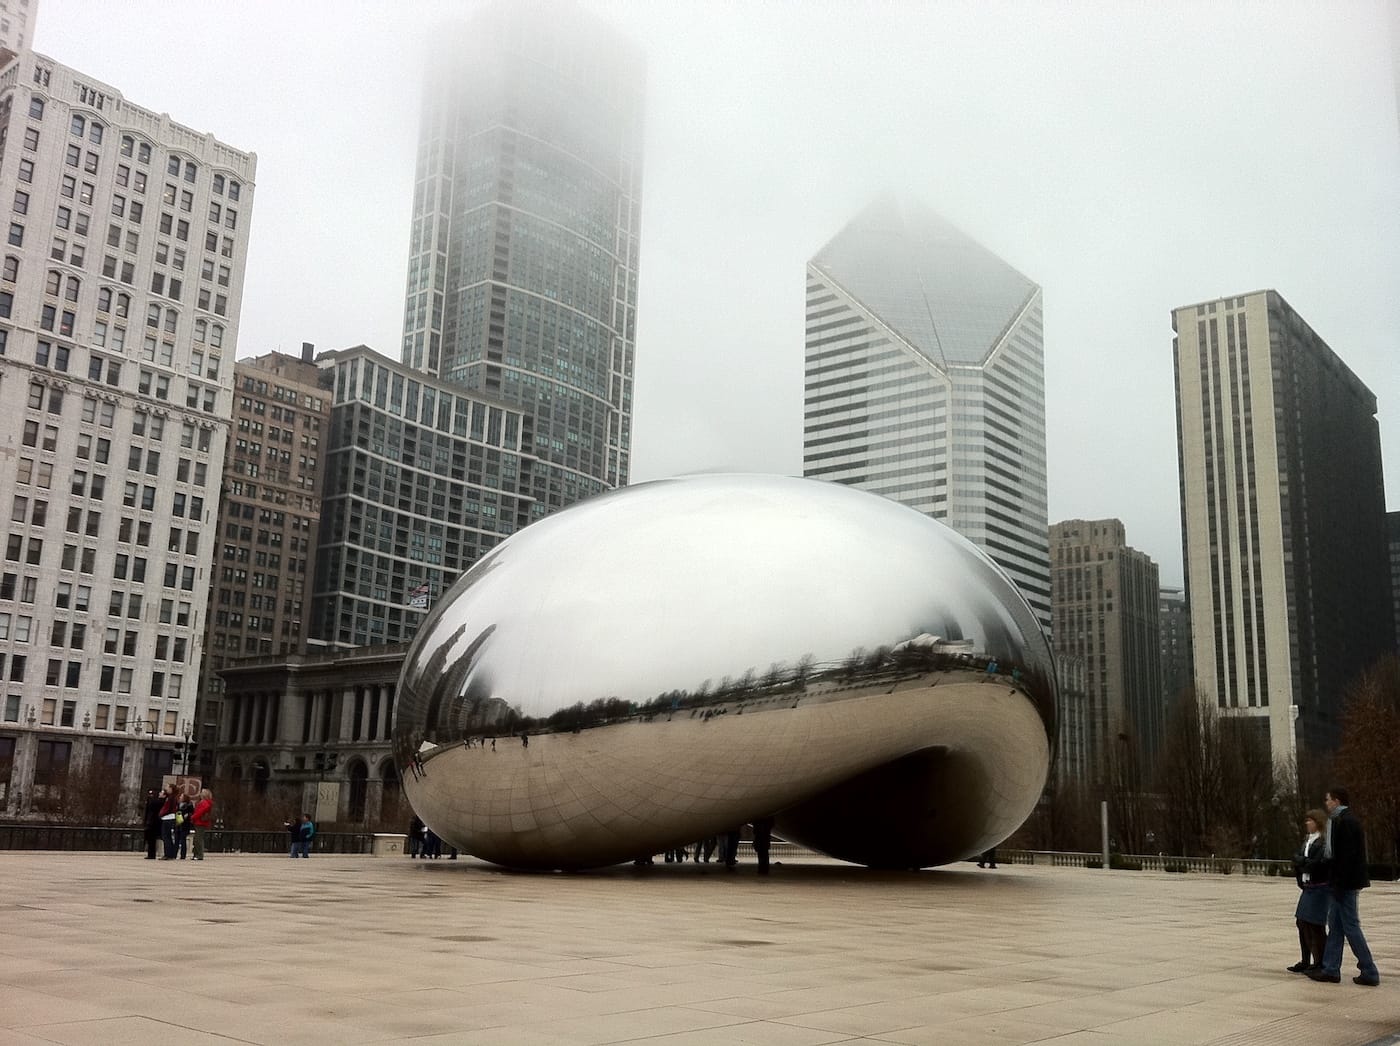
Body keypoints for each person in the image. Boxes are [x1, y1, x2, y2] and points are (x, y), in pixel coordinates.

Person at [1308, 788, 1379, 986]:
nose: (1326, 803)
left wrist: (1338, 883)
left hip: (1344, 883)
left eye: (1328, 800)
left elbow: (1346, 858)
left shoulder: (1344, 822)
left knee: (1350, 926)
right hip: (1342, 882)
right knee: (1337, 926)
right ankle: (1331, 969)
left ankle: (1369, 970)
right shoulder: (1344, 820)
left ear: (1336, 801)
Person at [1288, 809, 1329, 973]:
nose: (1307, 823)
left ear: (1317, 822)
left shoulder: (1323, 842)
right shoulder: (1307, 841)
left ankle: (1319, 962)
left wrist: (1302, 861)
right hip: (1308, 887)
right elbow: (1297, 859)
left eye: (1310, 821)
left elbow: (1315, 864)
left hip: (1319, 888)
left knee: (1315, 925)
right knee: (1302, 922)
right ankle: (1306, 960)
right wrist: (1303, 862)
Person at [190, 789, 214, 861]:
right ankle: (196, 854)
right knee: (197, 839)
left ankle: (199, 855)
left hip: (200, 822)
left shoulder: (205, 803)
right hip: (199, 822)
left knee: (198, 839)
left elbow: (200, 812)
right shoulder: (204, 802)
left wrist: (193, 817)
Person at [158, 783, 180, 860]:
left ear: (171, 789)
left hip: (167, 818)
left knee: (166, 837)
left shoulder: (171, 798)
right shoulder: (172, 797)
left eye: (167, 787)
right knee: (168, 837)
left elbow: (168, 808)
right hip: (170, 818)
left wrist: (161, 814)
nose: (166, 789)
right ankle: (170, 854)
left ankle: (168, 854)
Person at [142, 789, 164, 860]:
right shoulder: (156, 802)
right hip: (152, 821)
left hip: (154, 822)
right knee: (150, 839)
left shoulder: (159, 802)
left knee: (152, 839)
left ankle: (151, 854)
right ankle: (151, 853)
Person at [175, 793, 195, 859]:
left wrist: (188, 815)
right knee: (176, 839)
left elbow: (192, 813)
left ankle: (183, 855)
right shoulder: (178, 805)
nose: (180, 797)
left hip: (185, 824)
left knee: (183, 839)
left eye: (181, 796)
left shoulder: (189, 805)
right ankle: (174, 853)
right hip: (178, 822)